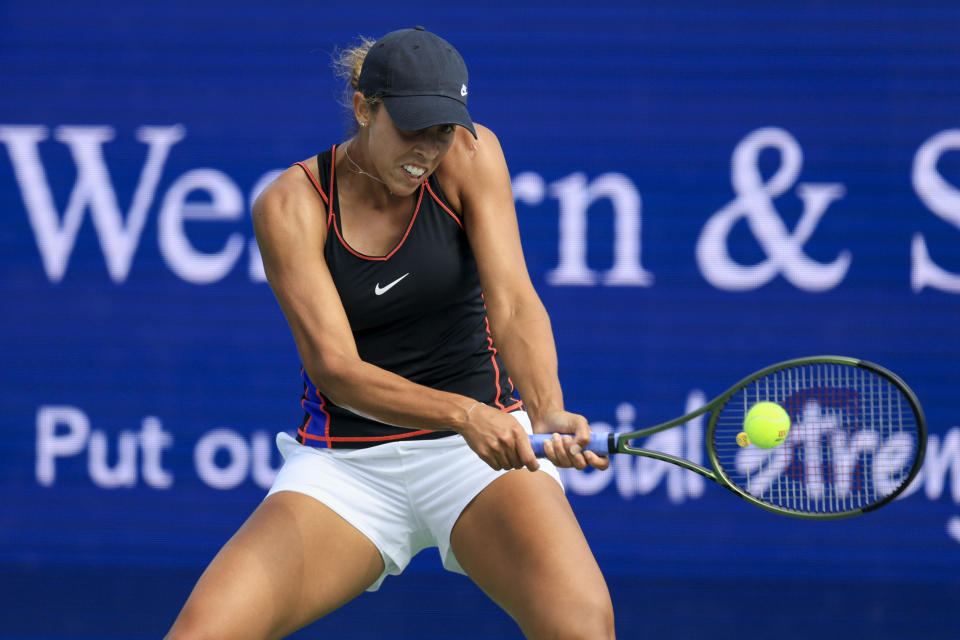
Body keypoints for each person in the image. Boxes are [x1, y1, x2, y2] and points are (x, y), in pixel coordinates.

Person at [165, 26, 615, 640]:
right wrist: (463, 415)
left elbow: (511, 302)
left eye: (442, 130)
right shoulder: (291, 205)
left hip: (475, 460)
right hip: (348, 467)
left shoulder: (471, 156)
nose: (427, 149)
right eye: (411, 128)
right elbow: (336, 370)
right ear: (363, 109)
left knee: (582, 625)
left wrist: (546, 410)